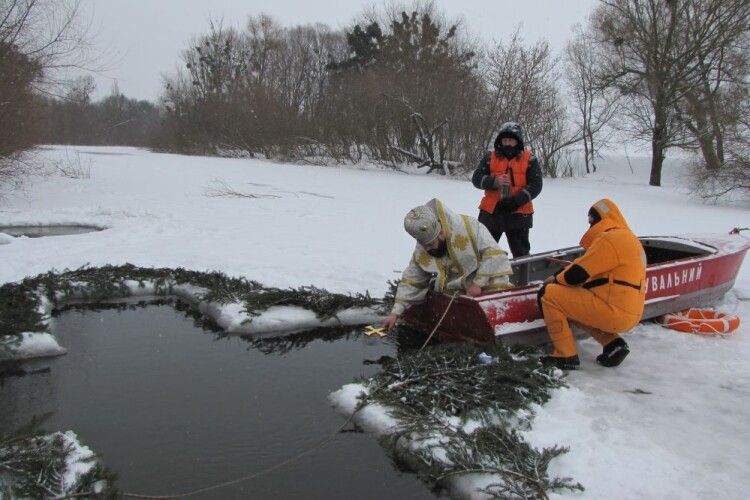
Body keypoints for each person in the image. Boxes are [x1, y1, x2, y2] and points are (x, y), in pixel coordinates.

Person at [537, 199, 647, 370]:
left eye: (591, 220)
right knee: (574, 304)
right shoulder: (628, 239)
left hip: (614, 311)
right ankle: (613, 343)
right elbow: (591, 267)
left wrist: (555, 279)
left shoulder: (610, 239)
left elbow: (576, 275)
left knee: (549, 294)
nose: (589, 225)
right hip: (630, 312)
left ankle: (565, 355)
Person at [382, 198, 513, 330]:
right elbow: (412, 279)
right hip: (456, 289)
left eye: (431, 245)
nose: (427, 250)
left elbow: (494, 254)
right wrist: (395, 312)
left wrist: (478, 283)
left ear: (441, 233)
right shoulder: (425, 242)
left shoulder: (469, 227)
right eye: (424, 246)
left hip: (488, 279)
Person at [471, 122, 543, 258]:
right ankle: (481, 278)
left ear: (518, 141)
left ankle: (522, 279)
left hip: (519, 213)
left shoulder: (530, 159)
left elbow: (536, 185)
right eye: (504, 140)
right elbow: (476, 179)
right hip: (491, 211)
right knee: (482, 253)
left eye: (511, 140)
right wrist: (494, 181)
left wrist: (516, 201)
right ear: (500, 141)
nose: (507, 143)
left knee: (521, 254)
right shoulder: (489, 157)